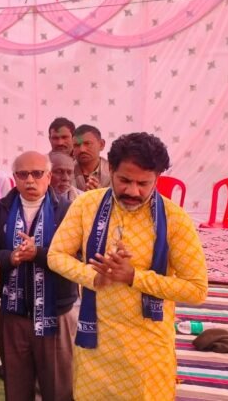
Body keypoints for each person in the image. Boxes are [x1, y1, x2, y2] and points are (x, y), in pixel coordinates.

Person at [48, 132, 208, 400]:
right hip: (95, 344)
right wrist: (93, 277)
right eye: (124, 180)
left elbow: (196, 289)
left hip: (147, 352)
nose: (133, 191)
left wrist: (134, 276)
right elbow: (56, 255)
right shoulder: (87, 205)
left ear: (157, 177)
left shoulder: (175, 220)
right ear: (111, 168)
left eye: (143, 183)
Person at [0, 151, 78, 401]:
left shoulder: (67, 211)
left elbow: (76, 258)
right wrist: (10, 258)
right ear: (14, 178)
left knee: (58, 389)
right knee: (16, 389)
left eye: (37, 174)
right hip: (14, 314)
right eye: (23, 174)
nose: (30, 180)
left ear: (48, 176)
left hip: (55, 313)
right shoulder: (0, 209)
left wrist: (38, 254)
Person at [73, 124, 111, 191]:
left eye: (87, 143)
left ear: (101, 144)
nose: (82, 150)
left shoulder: (114, 173)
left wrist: (102, 194)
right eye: (77, 145)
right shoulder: (64, 173)